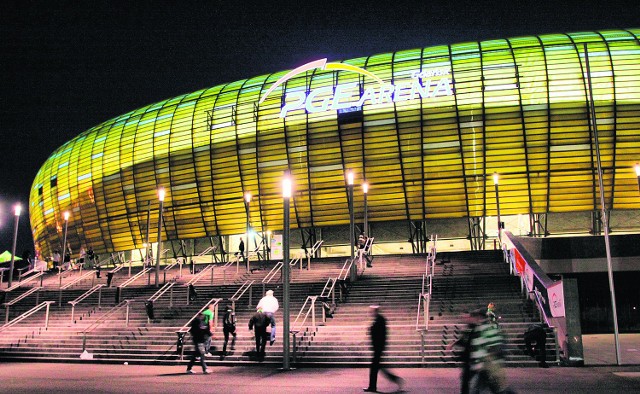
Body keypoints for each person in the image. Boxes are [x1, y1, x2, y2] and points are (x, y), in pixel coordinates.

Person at [363, 305, 403, 393]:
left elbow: (381, 334)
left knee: (374, 368)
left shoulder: (380, 320)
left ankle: (372, 387)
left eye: (371, 311)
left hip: (378, 348)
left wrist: (371, 330)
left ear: (375, 311)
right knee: (378, 368)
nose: (370, 313)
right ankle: (395, 380)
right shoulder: (378, 320)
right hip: (377, 348)